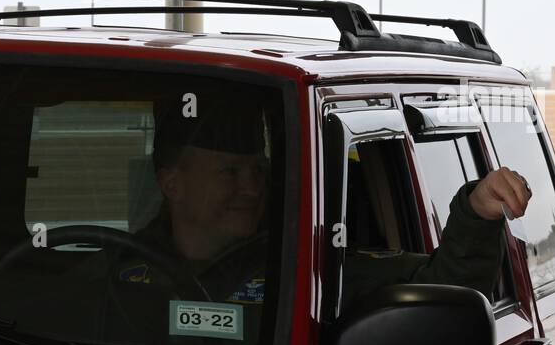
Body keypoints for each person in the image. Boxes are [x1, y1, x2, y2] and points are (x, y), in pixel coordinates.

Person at [121, 94, 530, 311]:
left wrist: (475, 213)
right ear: (172, 184)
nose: (251, 189)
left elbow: (446, 293)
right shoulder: (112, 272)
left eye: (257, 172)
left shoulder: (312, 268)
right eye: (230, 173)